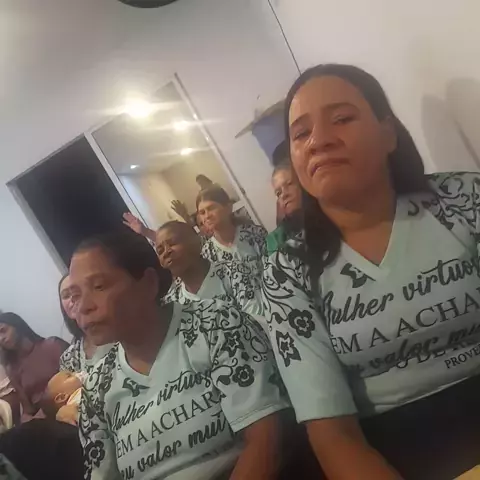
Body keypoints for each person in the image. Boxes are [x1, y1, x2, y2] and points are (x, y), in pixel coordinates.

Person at [262, 63, 480, 479]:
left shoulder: (465, 199)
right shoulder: (286, 269)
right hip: (390, 455)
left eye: (342, 119)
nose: (319, 141)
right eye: (301, 134)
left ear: (388, 133)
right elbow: (332, 434)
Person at [69, 230, 288, 480]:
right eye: (75, 296)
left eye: (98, 286)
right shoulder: (97, 386)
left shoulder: (215, 324)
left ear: (148, 283)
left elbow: (266, 439)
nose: (84, 307)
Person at [157, 221, 263, 317]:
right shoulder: (172, 302)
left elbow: (258, 323)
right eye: (160, 251)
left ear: (197, 242)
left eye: (173, 243)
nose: (166, 252)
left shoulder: (234, 272)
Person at [0, 313, 68, 421]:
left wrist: (43, 414)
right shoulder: (12, 368)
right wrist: (26, 422)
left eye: (3, 330)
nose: (1, 338)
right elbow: (28, 410)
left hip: (66, 408)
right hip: (41, 422)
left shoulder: (53, 345)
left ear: (17, 325)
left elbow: (76, 379)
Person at [197, 186, 267, 277]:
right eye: (202, 213)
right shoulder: (207, 254)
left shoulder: (255, 234)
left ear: (228, 207)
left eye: (211, 208)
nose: (207, 216)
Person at [58, 275, 113, 375]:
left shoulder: (120, 332)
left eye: (76, 293)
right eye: (66, 296)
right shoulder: (68, 359)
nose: (72, 299)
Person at [266, 147, 303, 256]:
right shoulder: (276, 239)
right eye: (278, 193)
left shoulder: (332, 213)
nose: (284, 195)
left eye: (290, 184)